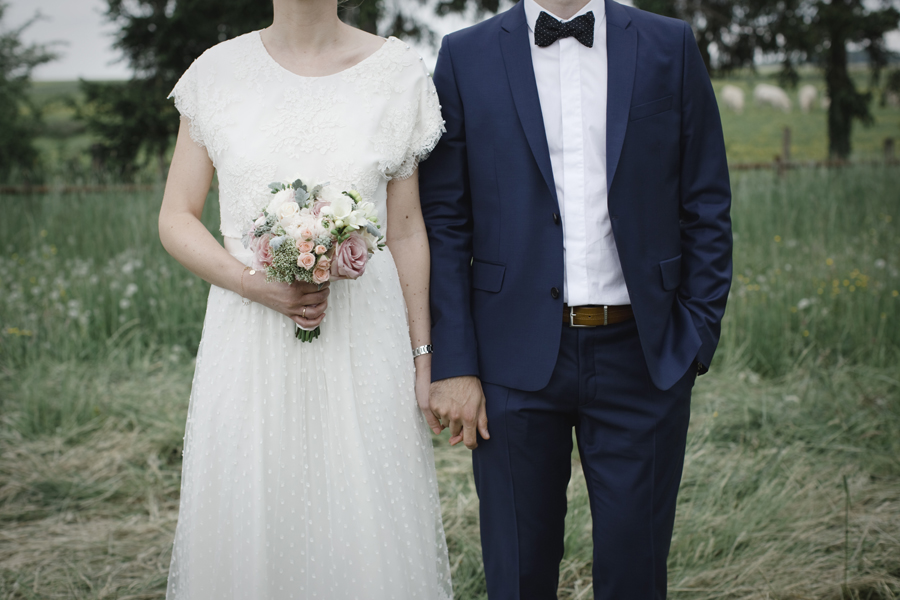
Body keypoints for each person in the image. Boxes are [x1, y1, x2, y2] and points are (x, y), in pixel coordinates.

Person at [419, 0, 733, 596]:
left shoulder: (669, 45)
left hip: (644, 357)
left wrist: (694, 337)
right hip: (510, 360)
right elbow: (445, 220)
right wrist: (455, 362)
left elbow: (707, 200)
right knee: (518, 576)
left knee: (635, 576)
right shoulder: (464, 56)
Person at [157, 0, 452, 597]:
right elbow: (176, 217)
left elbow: (405, 232)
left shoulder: (397, 72)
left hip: (366, 343)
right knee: (255, 514)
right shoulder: (215, 72)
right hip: (249, 343)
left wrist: (423, 356)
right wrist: (251, 282)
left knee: (364, 523)